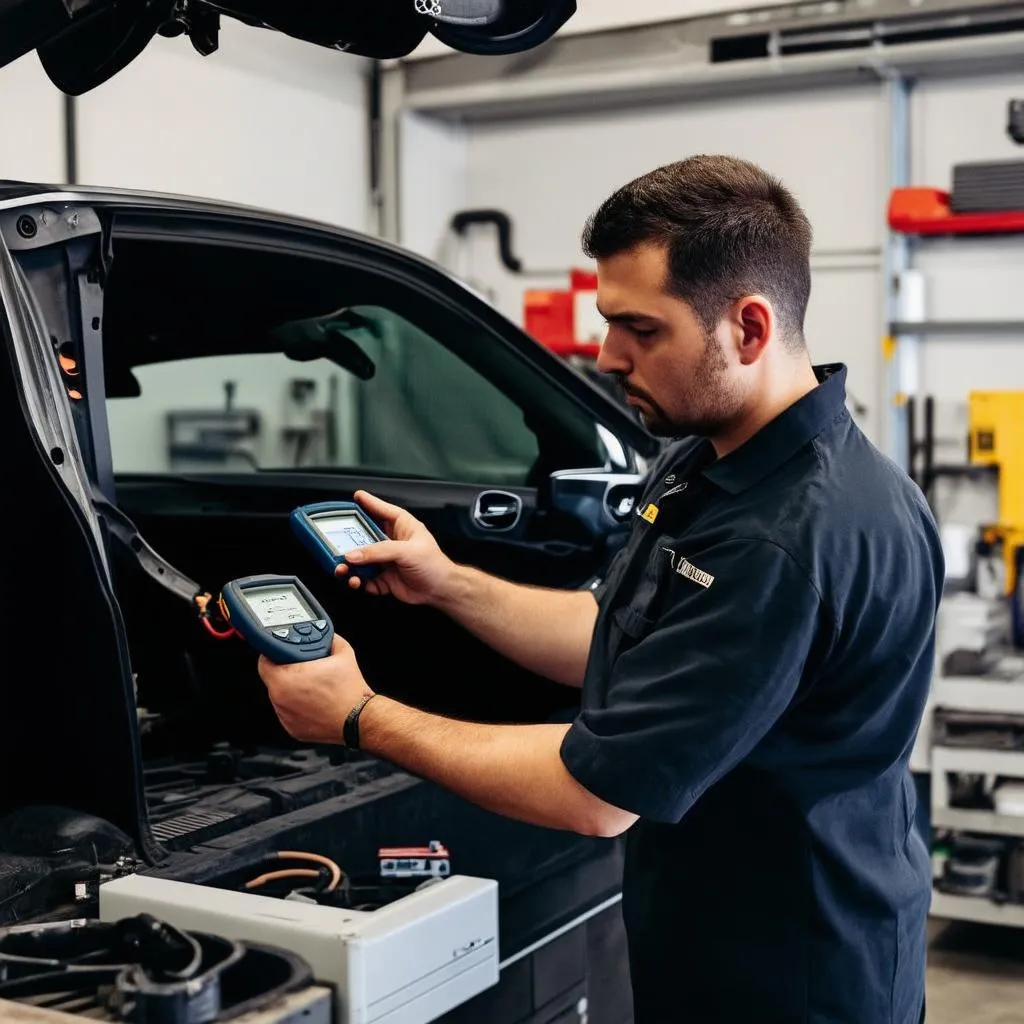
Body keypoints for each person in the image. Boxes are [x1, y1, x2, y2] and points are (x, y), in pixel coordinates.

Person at [258, 155, 943, 1024]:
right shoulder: (706, 455)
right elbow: (608, 631)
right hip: (712, 937)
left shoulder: (788, 538)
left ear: (751, 328)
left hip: (792, 975)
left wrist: (358, 716)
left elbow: (595, 795)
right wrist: (450, 586)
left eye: (640, 330)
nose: (605, 353)